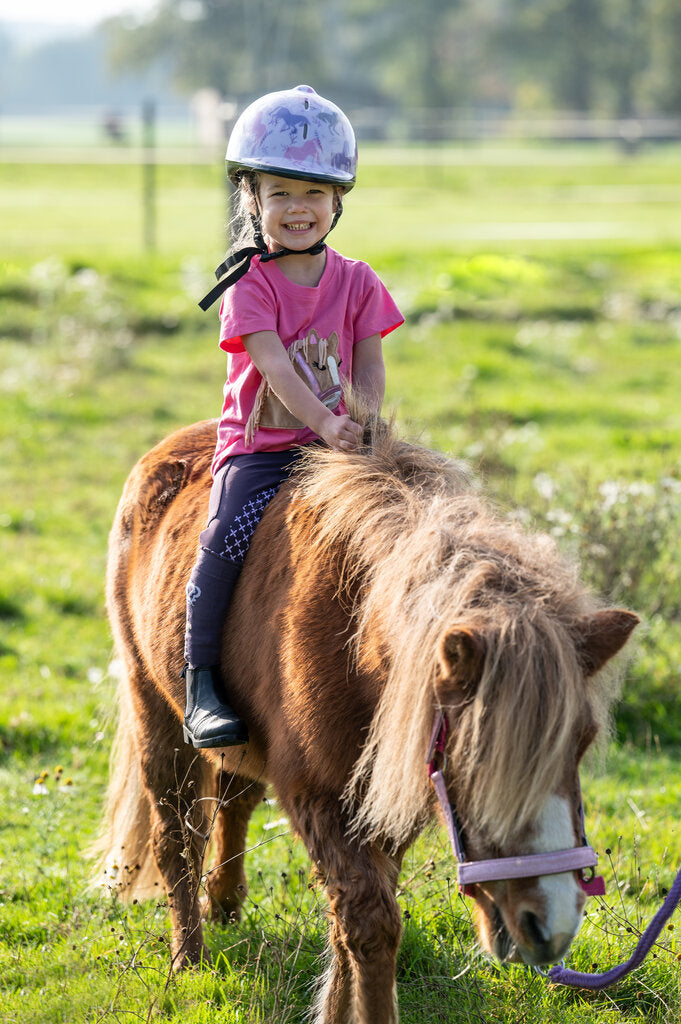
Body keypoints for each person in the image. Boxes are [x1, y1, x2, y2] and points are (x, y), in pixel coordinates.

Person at [183, 85, 404, 749]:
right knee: (224, 537)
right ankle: (200, 680)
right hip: (264, 448)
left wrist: (361, 421)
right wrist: (324, 422)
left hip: (339, 446)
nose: (297, 209)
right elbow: (275, 367)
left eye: (313, 193)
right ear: (251, 201)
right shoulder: (248, 284)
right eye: (279, 193)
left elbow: (369, 364)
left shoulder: (359, 281)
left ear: (338, 201)